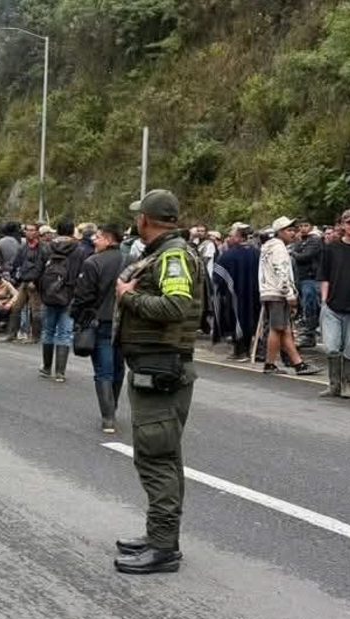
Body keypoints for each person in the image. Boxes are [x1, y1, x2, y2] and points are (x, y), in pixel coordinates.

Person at [113, 189, 202, 575]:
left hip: (162, 370)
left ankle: (164, 547)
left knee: (156, 457)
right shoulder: (166, 252)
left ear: (145, 219)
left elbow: (176, 306)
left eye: (138, 216)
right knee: (163, 455)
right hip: (158, 367)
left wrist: (128, 298)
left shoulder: (172, 255)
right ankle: (160, 537)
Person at [71, 222, 126, 433]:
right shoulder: (130, 260)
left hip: (100, 320)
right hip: (122, 321)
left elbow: (83, 296)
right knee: (119, 367)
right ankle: (113, 408)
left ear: (109, 239)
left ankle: (108, 416)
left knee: (104, 369)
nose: (94, 240)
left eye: (99, 237)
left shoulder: (93, 263)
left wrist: (77, 317)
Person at [318, 209, 350, 398]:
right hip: (332, 305)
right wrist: (324, 300)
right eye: (349, 222)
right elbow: (324, 276)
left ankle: (347, 384)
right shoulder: (331, 247)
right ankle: (334, 384)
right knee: (332, 347)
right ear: (342, 224)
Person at [259, 217, 320, 376]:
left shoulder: (267, 246)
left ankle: (298, 364)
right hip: (278, 292)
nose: (292, 233)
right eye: (288, 230)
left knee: (285, 329)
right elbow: (281, 271)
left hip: (270, 291)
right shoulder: (278, 247)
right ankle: (270, 364)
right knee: (277, 328)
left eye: (293, 230)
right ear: (279, 232)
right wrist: (289, 294)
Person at [37, 221, 88, 382]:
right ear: (72, 231)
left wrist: (44, 292)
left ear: (57, 231)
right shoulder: (79, 250)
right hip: (69, 294)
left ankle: (46, 367)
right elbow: (83, 275)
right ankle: (60, 372)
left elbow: (39, 273)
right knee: (64, 333)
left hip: (49, 295)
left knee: (48, 332)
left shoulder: (46, 247)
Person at [213, 225, 260, 360]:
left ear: (240, 237)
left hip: (234, 294)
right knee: (251, 318)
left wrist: (219, 292)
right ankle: (247, 350)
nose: (228, 239)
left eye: (231, 236)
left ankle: (240, 351)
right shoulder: (257, 253)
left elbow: (218, 277)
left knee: (237, 319)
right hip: (254, 294)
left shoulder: (228, 255)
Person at [2, 223, 44, 342]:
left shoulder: (42, 247)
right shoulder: (24, 246)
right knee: (16, 307)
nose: (29, 232)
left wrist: (35, 281)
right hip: (24, 281)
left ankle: (35, 336)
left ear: (36, 232)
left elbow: (41, 266)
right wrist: (14, 274)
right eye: (27, 230)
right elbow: (17, 262)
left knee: (35, 311)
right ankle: (12, 334)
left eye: (32, 230)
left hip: (34, 283)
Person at [291, 219, 323, 348]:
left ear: (311, 226)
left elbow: (305, 256)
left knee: (310, 306)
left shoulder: (315, 240)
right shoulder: (299, 241)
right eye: (301, 226)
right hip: (300, 278)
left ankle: (310, 335)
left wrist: (292, 252)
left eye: (306, 225)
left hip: (311, 278)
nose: (303, 228)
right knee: (302, 307)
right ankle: (307, 334)